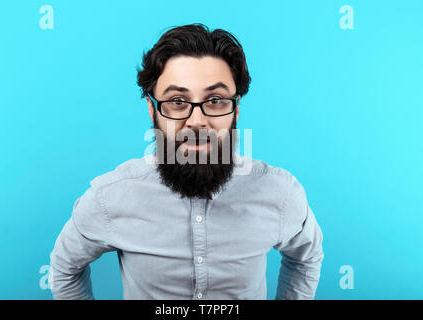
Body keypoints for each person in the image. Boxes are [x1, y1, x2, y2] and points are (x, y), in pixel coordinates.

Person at [49, 23, 324, 300]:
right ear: (152, 108)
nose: (196, 120)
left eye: (215, 99)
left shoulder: (280, 193)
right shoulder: (110, 197)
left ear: (236, 108)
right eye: (177, 101)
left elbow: (306, 257)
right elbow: (65, 267)